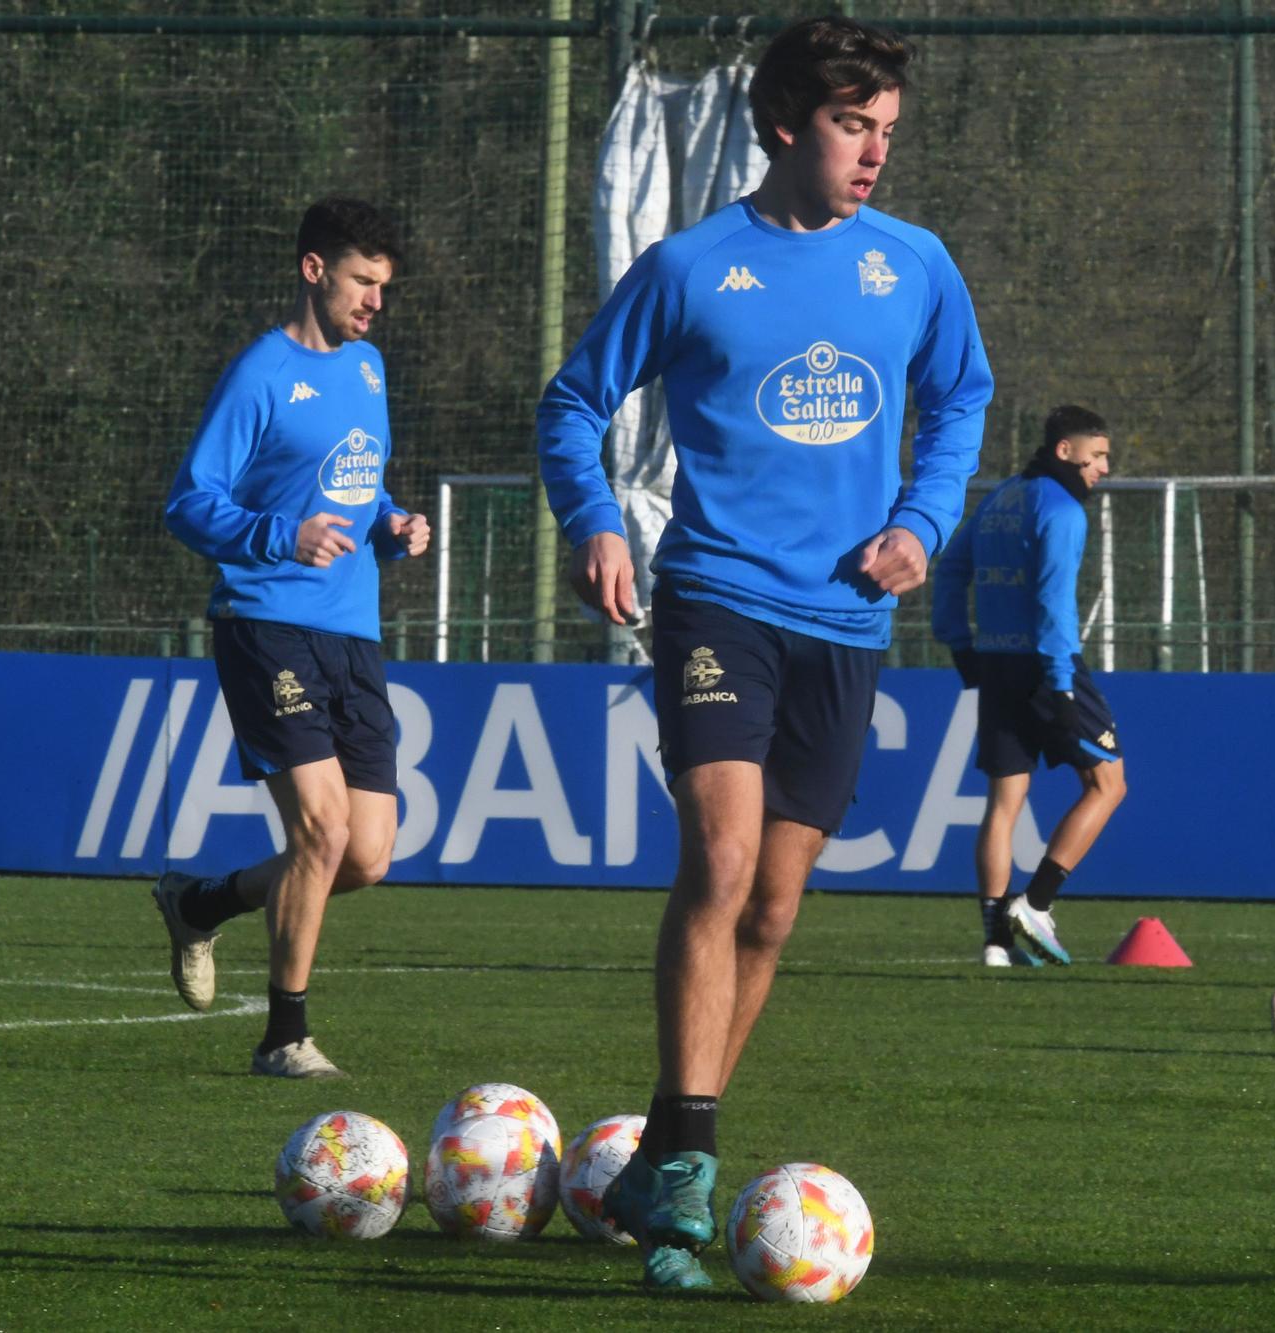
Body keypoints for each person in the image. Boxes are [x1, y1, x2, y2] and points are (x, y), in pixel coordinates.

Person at [536, 15, 992, 1291]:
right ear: (784, 121)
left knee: (776, 909)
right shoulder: (690, 268)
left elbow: (961, 397)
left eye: (888, 131)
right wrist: (593, 522)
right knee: (722, 859)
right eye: (855, 126)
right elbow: (572, 400)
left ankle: (658, 1148)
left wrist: (921, 520)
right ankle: (684, 1179)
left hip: (847, 622)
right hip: (716, 600)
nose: (875, 155)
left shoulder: (914, 266)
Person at [154, 197, 429, 1079]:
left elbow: (357, 489)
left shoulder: (371, 368)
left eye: (384, 286)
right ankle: (284, 1035)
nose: (375, 301)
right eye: (362, 280)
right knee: (319, 829)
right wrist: (283, 537)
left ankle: (200, 903)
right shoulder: (261, 375)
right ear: (314, 270)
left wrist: (393, 524)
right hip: (267, 623)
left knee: (366, 855)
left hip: (351, 631)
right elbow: (191, 503)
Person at [931, 404, 1127, 968]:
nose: (1105, 468)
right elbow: (1054, 602)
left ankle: (995, 942)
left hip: (996, 664)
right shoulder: (1062, 509)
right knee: (1109, 785)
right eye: (1099, 455)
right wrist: (1062, 685)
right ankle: (1036, 903)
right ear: (1065, 451)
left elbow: (951, 570)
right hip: (1046, 667)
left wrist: (960, 642)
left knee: (1004, 804)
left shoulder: (1000, 499)